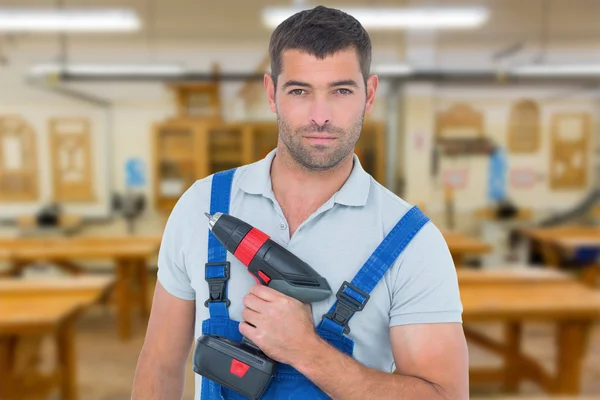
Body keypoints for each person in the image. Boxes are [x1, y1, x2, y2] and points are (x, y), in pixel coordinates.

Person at [131, 5, 468, 400]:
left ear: (369, 94)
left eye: (341, 91)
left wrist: (306, 350)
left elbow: (445, 396)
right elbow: (159, 365)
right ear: (272, 93)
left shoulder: (412, 240)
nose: (320, 116)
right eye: (299, 91)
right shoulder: (199, 205)